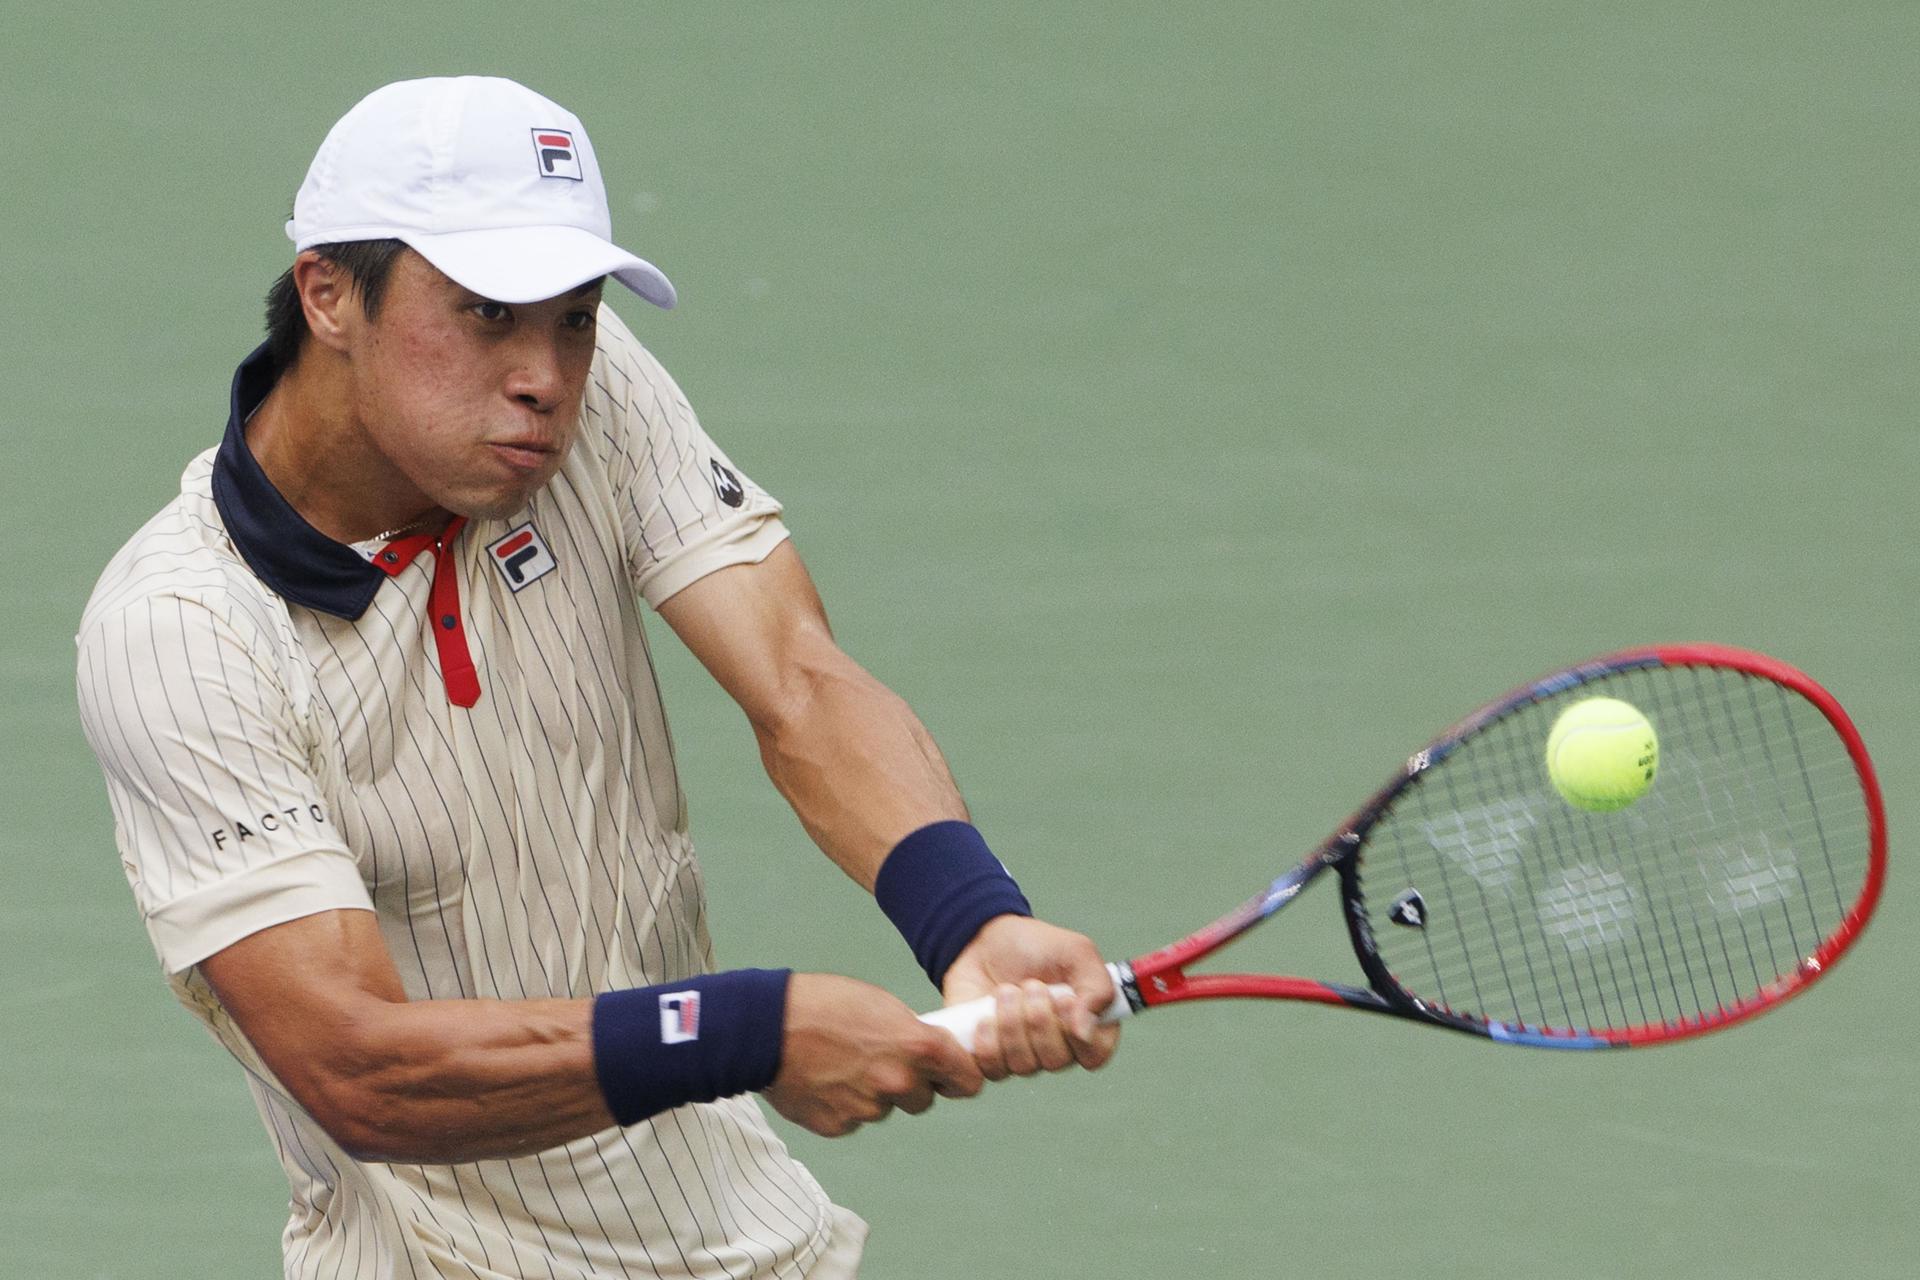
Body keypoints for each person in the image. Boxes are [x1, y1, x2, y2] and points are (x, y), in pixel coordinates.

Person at [74, 75, 1118, 1279]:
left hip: (736, 1232)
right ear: (327, 294)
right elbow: (358, 1063)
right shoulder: (181, 631)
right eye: (484, 311)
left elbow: (796, 672)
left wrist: (971, 915)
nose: (546, 374)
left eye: (572, 314)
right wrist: (744, 1029)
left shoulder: (585, 393)